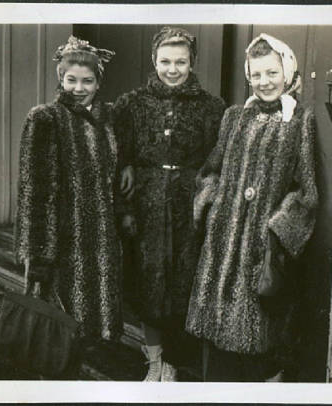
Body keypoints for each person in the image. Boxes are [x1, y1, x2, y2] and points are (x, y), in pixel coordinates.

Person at [186, 33, 318, 382]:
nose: (265, 82)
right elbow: (210, 170)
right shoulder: (234, 117)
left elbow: (305, 191)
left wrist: (276, 229)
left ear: (287, 72)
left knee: (255, 339)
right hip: (222, 246)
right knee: (216, 345)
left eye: (272, 73)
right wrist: (211, 205)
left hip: (259, 249)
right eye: (256, 74)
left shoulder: (300, 121)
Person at [114, 27, 226, 381]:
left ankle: (174, 362)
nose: (172, 69)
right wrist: (127, 202)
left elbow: (218, 161)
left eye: (181, 61)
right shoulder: (131, 104)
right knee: (148, 282)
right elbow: (119, 157)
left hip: (188, 206)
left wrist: (205, 201)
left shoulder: (212, 107)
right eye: (165, 61)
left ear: (192, 62)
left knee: (183, 282)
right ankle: (154, 361)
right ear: (153, 60)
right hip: (146, 204)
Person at [15, 36, 126, 342]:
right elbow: (34, 192)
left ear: (98, 82)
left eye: (87, 81)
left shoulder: (108, 119)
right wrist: (38, 255)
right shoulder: (46, 118)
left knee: (91, 333)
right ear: (60, 79)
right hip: (62, 243)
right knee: (56, 331)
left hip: (100, 241)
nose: (79, 89)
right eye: (71, 80)